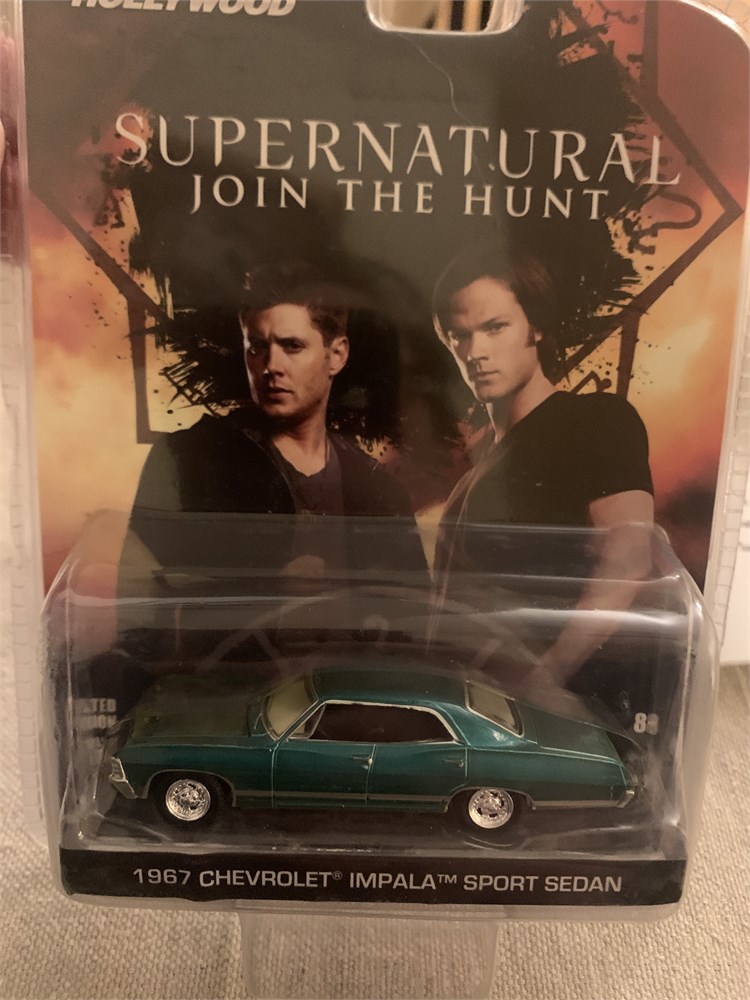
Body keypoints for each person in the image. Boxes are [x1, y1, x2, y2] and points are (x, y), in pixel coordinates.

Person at [118, 260, 428, 619]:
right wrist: (267, 589)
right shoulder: (186, 459)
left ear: (337, 355)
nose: (270, 366)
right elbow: (135, 609)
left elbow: (417, 621)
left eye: (292, 346)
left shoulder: (382, 492)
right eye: (257, 347)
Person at [430, 241, 655, 689]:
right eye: (460, 335)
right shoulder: (472, 475)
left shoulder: (596, 419)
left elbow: (628, 563)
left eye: (495, 327)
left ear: (534, 326)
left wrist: (544, 678)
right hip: (473, 698)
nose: (475, 351)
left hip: (559, 700)